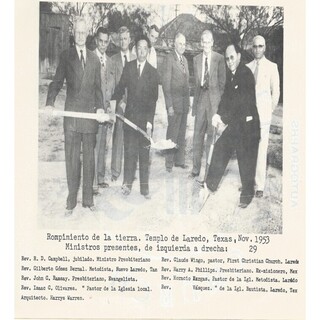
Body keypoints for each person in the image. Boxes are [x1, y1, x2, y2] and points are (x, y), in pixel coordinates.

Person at [45, 18, 106, 215]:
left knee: (89, 159)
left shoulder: (95, 59)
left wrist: (100, 109)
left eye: (83, 32)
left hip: (89, 117)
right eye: (77, 32)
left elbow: (98, 89)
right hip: (71, 118)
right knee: (72, 160)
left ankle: (88, 199)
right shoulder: (66, 56)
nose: (80, 36)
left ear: (88, 33)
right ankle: (71, 200)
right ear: (74, 33)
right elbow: (56, 82)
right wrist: (49, 103)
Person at [205, 44, 260, 208]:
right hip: (237, 123)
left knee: (246, 160)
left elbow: (240, 104)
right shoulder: (231, 75)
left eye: (232, 57)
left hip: (248, 126)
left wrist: (224, 120)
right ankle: (210, 185)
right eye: (227, 58)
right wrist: (217, 114)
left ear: (239, 56)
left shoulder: (246, 74)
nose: (229, 61)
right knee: (221, 147)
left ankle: (247, 194)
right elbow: (225, 98)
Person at [113, 35, 158, 199]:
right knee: (129, 153)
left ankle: (144, 189)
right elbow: (119, 88)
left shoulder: (153, 73)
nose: (142, 51)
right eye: (139, 48)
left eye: (145, 48)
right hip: (130, 120)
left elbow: (153, 100)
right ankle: (127, 184)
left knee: (144, 155)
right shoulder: (129, 67)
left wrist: (149, 123)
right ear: (135, 49)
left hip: (144, 122)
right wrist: (113, 103)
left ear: (148, 51)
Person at [246, 35, 280, 198]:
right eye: (255, 46)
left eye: (261, 46)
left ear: (264, 48)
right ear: (252, 48)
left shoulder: (272, 67)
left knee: (260, 150)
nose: (258, 49)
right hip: (249, 118)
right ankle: (247, 183)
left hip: (264, 117)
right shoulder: (247, 67)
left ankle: (259, 186)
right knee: (248, 149)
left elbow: (276, 92)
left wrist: (269, 110)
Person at [190, 30, 226, 179]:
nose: (206, 44)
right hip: (200, 100)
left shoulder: (219, 59)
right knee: (197, 136)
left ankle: (208, 171)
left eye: (209, 41)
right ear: (201, 43)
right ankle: (195, 169)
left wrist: (220, 106)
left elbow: (223, 84)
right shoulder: (196, 59)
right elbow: (196, 84)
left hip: (214, 102)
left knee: (211, 137)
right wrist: (194, 107)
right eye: (203, 41)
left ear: (212, 42)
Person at [110, 26, 136, 182]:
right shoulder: (113, 60)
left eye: (125, 38)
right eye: (120, 39)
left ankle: (130, 172)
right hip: (120, 105)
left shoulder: (135, 58)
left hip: (132, 105)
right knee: (118, 137)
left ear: (130, 39)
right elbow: (114, 86)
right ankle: (115, 171)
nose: (123, 42)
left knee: (132, 139)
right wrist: (120, 103)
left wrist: (130, 102)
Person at [162, 33, 190, 172]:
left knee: (181, 133)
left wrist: (188, 105)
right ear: (174, 44)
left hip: (184, 105)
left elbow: (186, 83)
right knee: (172, 133)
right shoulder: (169, 59)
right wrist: (169, 106)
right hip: (174, 104)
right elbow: (166, 84)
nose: (182, 46)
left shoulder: (184, 60)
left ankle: (179, 161)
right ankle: (169, 163)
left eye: (184, 44)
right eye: (180, 43)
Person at [93, 27, 113, 193]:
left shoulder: (110, 61)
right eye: (101, 41)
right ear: (96, 40)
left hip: (106, 111)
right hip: (93, 111)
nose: (103, 44)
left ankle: (100, 178)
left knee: (102, 147)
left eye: (106, 42)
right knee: (93, 147)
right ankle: (92, 183)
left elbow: (110, 87)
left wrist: (110, 108)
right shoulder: (90, 58)